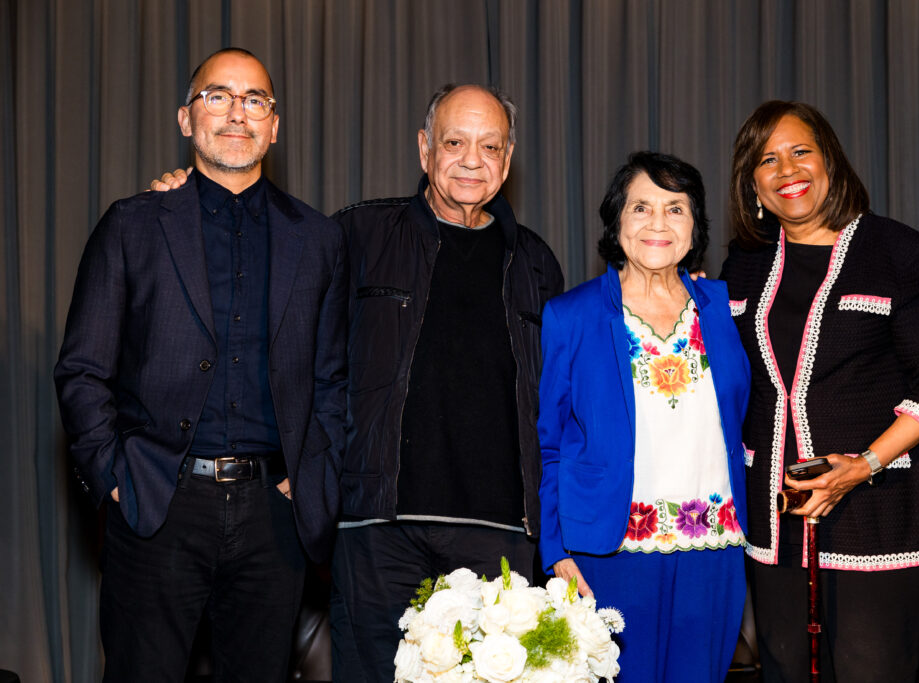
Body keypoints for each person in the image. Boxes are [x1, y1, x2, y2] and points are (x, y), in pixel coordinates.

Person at [54, 48, 345, 682]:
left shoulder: (319, 240)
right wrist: (114, 474)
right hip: (157, 501)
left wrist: (312, 475)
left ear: (275, 124)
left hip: (274, 516)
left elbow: (331, 379)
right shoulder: (131, 226)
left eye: (254, 100)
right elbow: (82, 369)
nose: (237, 113)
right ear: (187, 119)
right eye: (218, 96)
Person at [720, 100, 919, 682]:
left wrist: (864, 464)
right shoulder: (744, 264)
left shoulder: (894, 251)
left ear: (830, 160)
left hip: (878, 511)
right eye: (767, 160)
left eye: (800, 151)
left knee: (870, 670)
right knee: (784, 669)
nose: (787, 169)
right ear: (753, 184)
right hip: (775, 518)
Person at [328, 84, 563, 681]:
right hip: (378, 526)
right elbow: (298, 350)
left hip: (499, 536)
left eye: (490, 146)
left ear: (508, 161)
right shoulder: (358, 235)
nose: (471, 160)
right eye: (455, 142)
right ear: (425, 149)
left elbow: (561, 402)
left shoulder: (536, 262)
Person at [538, 151, 751, 682]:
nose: (658, 223)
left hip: (714, 547)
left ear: (694, 226)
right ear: (617, 221)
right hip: (608, 551)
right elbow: (545, 441)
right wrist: (554, 548)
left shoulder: (724, 308)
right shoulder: (571, 315)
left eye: (675, 209)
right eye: (641, 207)